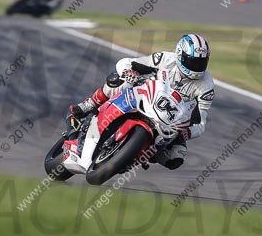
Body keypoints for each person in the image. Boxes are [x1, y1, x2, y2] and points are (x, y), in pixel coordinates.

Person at [69, 34, 215, 170]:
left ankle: (137, 155)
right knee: (120, 81)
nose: (197, 67)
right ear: (180, 55)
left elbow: (200, 122)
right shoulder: (165, 59)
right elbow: (129, 63)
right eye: (192, 61)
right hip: (146, 96)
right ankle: (91, 103)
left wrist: (185, 133)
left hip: (170, 121)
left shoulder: (206, 86)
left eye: (201, 62)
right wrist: (129, 72)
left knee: (175, 157)